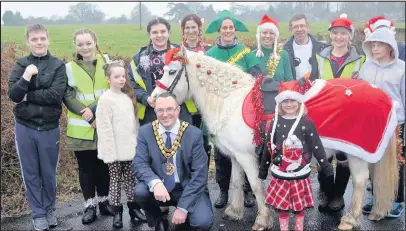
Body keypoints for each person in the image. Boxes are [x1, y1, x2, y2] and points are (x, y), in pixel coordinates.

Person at [8, 24, 67, 231]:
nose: (39, 42)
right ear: (28, 42)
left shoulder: (58, 65)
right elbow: (14, 96)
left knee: (49, 173)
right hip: (25, 127)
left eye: (42, 38)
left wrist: (28, 96)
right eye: (34, 39)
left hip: (50, 127)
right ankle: (38, 213)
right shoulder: (21, 64)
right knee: (31, 172)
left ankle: (50, 209)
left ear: (48, 40)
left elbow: (55, 96)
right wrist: (26, 77)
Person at [132, 92, 214, 231]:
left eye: (170, 109)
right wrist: (155, 182)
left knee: (203, 222)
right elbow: (139, 163)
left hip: (186, 187)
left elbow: (200, 175)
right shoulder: (146, 132)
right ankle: (158, 220)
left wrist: (183, 208)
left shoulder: (193, 134)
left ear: (178, 110)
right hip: (160, 187)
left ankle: (185, 217)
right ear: (155, 111)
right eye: (160, 110)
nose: (165, 114)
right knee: (140, 192)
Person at [258, 81, 334, 231]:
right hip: (280, 175)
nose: (289, 104)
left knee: (299, 209)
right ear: (280, 103)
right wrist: (263, 169)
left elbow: (316, 145)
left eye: (292, 100)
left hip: (300, 173)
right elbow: (268, 145)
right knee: (282, 209)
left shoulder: (306, 122)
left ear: (299, 102)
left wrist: (326, 166)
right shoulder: (276, 121)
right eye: (285, 101)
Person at [204, 10, 261, 208]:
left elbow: (256, 78)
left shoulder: (246, 52)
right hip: (220, 113)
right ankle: (223, 192)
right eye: (224, 28)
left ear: (234, 30)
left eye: (231, 27)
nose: (228, 31)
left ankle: (247, 192)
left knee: (245, 152)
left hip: (243, 112)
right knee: (221, 155)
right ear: (219, 31)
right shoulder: (209, 55)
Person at [63, 28, 115, 224]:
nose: (85, 47)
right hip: (81, 127)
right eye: (80, 44)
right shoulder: (68, 67)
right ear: (75, 46)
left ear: (95, 42)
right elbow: (67, 95)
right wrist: (86, 113)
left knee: (103, 166)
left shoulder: (108, 62)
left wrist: (96, 111)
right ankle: (89, 206)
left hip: (105, 124)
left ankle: (104, 201)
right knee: (85, 168)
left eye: (88, 43)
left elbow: (114, 88)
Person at [316, 14, 366, 212]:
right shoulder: (319, 58)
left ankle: (338, 196)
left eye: (343, 34)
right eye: (335, 33)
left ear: (350, 36)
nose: (339, 37)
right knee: (323, 158)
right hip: (324, 117)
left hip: (348, 119)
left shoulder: (360, 60)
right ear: (330, 36)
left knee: (344, 159)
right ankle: (327, 193)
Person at [359, 27, 405, 219]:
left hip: (396, 124)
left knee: (396, 163)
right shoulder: (366, 68)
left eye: (380, 45)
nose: (375, 48)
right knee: (374, 160)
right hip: (372, 122)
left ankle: (396, 200)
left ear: (390, 46)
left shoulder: (402, 68)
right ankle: (377, 198)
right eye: (373, 45)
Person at [96, 60, 147, 228]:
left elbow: (134, 125)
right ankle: (117, 212)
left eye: (123, 76)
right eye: (116, 76)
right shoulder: (105, 99)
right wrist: (110, 152)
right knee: (116, 181)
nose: (121, 79)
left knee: (131, 180)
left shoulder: (127, 97)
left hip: (130, 148)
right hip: (115, 150)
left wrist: (137, 145)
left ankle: (134, 209)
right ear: (107, 78)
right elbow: (104, 128)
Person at [128, 17, 195, 127]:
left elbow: (194, 80)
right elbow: (132, 85)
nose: (159, 35)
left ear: (168, 32)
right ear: (149, 34)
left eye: (163, 31)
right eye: (155, 32)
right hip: (151, 113)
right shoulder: (138, 59)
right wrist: (146, 98)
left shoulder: (183, 54)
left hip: (180, 111)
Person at [180, 13, 212, 165]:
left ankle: (202, 185)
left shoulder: (209, 51)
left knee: (204, 145)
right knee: (184, 146)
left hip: (204, 106)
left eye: (194, 27)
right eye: (187, 28)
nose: (190, 31)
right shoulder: (177, 52)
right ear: (183, 30)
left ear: (199, 29)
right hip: (184, 106)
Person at [284, 14, 328, 81]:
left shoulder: (322, 48)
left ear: (308, 27)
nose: (299, 29)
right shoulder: (285, 50)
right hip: (294, 89)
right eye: (295, 27)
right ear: (290, 29)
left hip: (316, 89)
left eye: (302, 26)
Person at [252, 14, 294, 82]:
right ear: (259, 35)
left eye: (271, 33)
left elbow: (289, 80)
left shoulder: (283, 54)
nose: (268, 36)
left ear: (275, 36)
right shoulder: (252, 56)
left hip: (281, 92)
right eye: (264, 33)